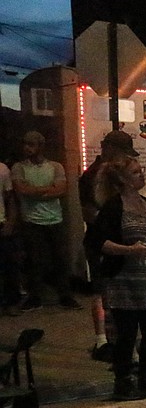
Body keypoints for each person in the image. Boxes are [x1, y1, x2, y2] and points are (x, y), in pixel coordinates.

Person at [85, 155, 146, 400]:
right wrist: (129, 250)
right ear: (123, 180)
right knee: (126, 334)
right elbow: (96, 242)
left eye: (141, 170)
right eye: (136, 173)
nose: (141, 175)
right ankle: (122, 382)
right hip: (125, 278)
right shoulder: (114, 207)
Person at [79, 130, 140, 361]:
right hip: (101, 241)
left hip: (115, 239)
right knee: (101, 290)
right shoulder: (92, 175)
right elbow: (88, 213)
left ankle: (118, 340)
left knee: (117, 290)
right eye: (123, 152)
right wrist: (114, 223)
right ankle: (103, 340)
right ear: (111, 149)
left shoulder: (119, 174)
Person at [11, 131, 80, 310]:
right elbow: (21, 190)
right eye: (25, 144)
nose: (27, 148)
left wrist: (35, 191)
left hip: (54, 219)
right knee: (35, 261)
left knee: (60, 259)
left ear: (41, 146)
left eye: (31, 144)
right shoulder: (19, 167)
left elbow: (61, 189)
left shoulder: (55, 166)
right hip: (32, 221)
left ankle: (65, 296)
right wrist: (48, 190)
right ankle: (35, 297)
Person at [0, 159, 20, 316]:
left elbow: (10, 197)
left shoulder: (2, 170)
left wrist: (11, 221)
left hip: (1, 222)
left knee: (9, 265)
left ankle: (11, 301)